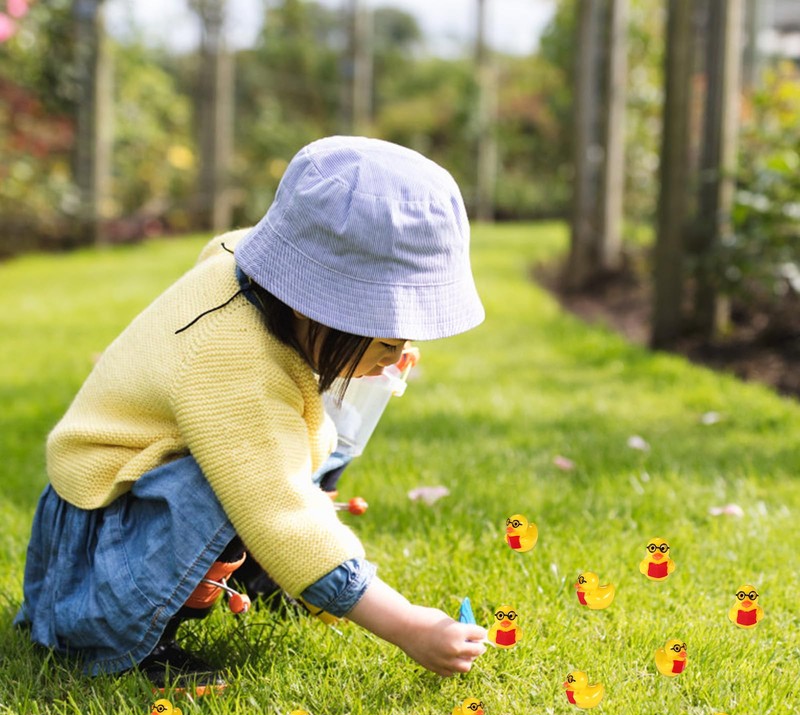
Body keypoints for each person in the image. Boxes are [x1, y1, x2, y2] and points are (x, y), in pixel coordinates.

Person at [15, 136, 488, 686]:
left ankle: (261, 576)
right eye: (387, 340)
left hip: (133, 510)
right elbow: (283, 513)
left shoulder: (248, 266)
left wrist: (373, 364)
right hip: (101, 552)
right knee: (247, 474)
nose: (398, 356)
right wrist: (409, 626)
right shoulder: (236, 369)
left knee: (318, 415)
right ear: (320, 309)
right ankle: (117, 643)